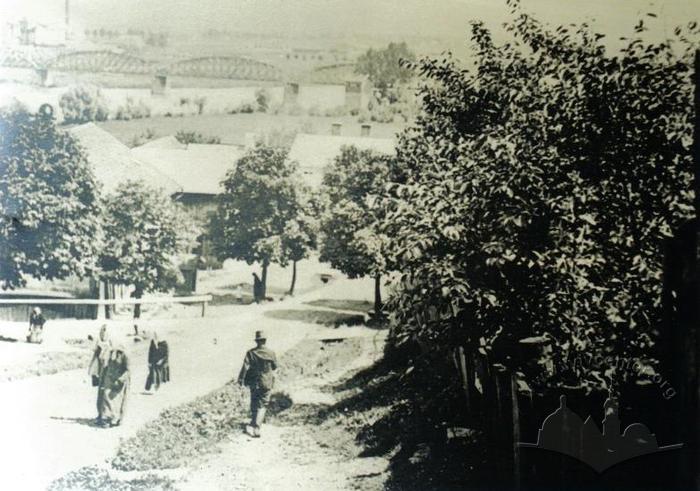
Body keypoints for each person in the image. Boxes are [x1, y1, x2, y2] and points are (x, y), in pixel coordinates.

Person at [238, 330, 277, 437]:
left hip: (254, 381)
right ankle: (256, 427)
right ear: (265, 341)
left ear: (257, 341)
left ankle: (254, 422)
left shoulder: (251, 353)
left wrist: (241, 380)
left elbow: (245, 367)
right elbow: (274, 366)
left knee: (254, 401)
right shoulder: (271, 353)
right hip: (266, 382)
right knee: (263, 404)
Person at [96, 344, 130, 427]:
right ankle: (105, 417)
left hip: (119, 380)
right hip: (109, 377)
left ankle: (115, 418)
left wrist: (121, 380)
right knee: (105, 396)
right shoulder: (109, 352)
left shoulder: (124, 354)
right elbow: (104, 364)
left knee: (115, 399)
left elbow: (128, 370)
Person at [88, 325, 111, 389]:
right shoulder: (101, 339)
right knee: (98, 370)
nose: (102, 333)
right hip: (101, 356)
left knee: (100, 369)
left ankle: (101, 382)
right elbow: (94, 348)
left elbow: (94, 348)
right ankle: (100, 382)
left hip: (103, 355)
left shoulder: (105, 339)